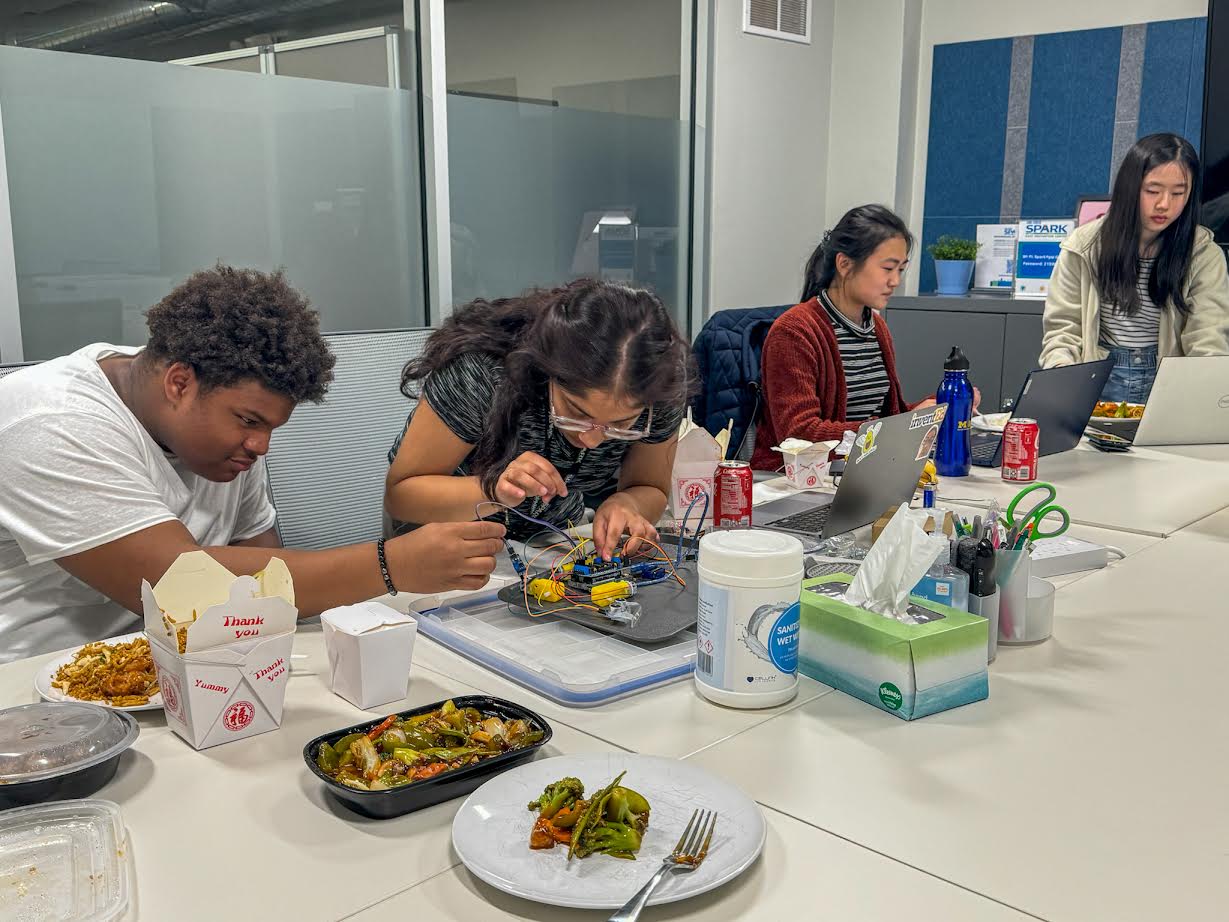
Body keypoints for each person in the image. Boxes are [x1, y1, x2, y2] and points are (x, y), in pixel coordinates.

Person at [0, 265, 503, 664]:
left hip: (190, 666)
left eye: (270, 428)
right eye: (248, 421)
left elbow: (267, 586)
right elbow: (179, 588)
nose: (260, 446)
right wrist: (392, 564)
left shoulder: (223, 440)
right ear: (179, 382)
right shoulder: (49, 421)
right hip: (38, 688)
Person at [385, 278, 693, 561]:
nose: (592, 439)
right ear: (547, 370)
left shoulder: (658, 388)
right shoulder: (481, 372)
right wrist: (493, 489)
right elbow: (402, 495)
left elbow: (649, 487)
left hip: (550, 542)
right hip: (438, 541)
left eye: (621, 424)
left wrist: (628, 504)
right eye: (577, 412)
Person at [1041, 132, 1229, 402]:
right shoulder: (1082, 247)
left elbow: (1208, 339)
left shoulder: (1202, 254)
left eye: (1178, 193)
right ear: (1131, 187)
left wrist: (1204, 397)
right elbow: (1064, 329)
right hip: (1098, 382)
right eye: (1153, 191)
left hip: (1169, 387)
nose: (1165, 204)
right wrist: (1062, 375)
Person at [751, 204, 935, 471]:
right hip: (796, 481)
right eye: (887, 268)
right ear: (845, 264)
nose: (895, 281)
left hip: (856, 475)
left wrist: (929, 411)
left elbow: (886, 418)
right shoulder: (794, 332)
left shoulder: (876, 328)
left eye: (901, 270)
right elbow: (799, 436)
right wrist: (888, 430)